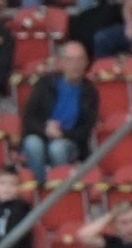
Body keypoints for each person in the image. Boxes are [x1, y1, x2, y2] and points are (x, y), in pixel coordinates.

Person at [19, 41, 98, 182]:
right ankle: (40, 187)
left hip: (70, 141)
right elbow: (28, 118)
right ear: (61, 62)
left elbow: (86, 129)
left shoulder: (90, 91)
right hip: (42, 134)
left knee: (57, 148)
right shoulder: (45, 83)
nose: (75, 65)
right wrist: (45, 129)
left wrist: (62, 133)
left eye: (80, 60)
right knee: (32, 143)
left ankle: (59, 186)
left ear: (86, 63)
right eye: (70, 60)